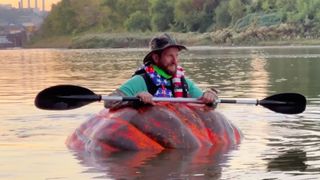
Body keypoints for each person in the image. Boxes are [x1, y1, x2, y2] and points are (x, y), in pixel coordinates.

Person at [104, 33, 218, 109]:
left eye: (176, 56)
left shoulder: (184, 83)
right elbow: (108, 102)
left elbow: (209, 104)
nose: (175, 61)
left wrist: (210, 96)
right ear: (156, 58)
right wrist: (135, 98)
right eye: (169, 56)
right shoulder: (141, 81)